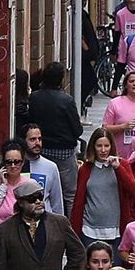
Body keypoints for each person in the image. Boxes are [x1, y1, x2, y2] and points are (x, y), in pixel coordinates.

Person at [72, 128, 135, 253]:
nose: (103, 150)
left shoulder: (122, 165)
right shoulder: (85, 169)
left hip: (116, 231)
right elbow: (79, 201)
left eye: (106, 146)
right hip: (89, 230)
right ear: (93, 147)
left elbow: (134, 191)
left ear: (111, 146)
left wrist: (118, 168)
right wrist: (74, 231)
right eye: (99, 146)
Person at [28, 61, 82, 216]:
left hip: (42, 150)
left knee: (42, 191)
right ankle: (69, 227)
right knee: (69, 194)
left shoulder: (34, 98)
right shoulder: (67, 100)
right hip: (64, 152)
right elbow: (77, 129)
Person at [23, 125, 65, 215]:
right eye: (32, 139)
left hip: (45, 221)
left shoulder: (51, 167)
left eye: (39, 139)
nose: (37, 143)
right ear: (24, 141)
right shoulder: (16, 165)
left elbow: (57, 202)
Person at [0, 139, 30, 225]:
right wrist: (3, 186)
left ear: (23, 162)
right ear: (4, 163)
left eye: (17, 162)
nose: (13, 166)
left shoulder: (29, 184)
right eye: (9, 162)